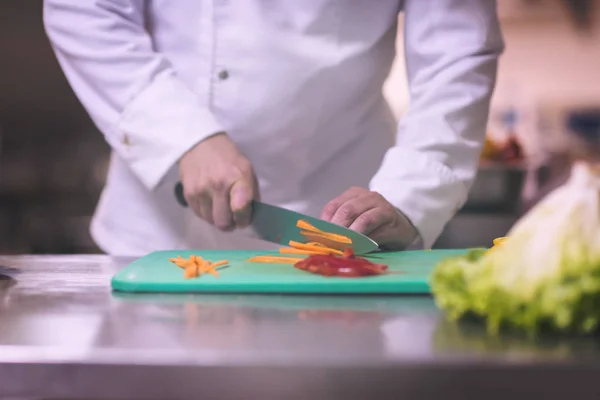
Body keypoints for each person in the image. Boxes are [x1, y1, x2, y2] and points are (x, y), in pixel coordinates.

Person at [43, 1, 503, 256]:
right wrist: (182, 136)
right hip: (158, 227)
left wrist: (411, 194)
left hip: (344, 219)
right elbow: (83, 9)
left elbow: (457, 49)